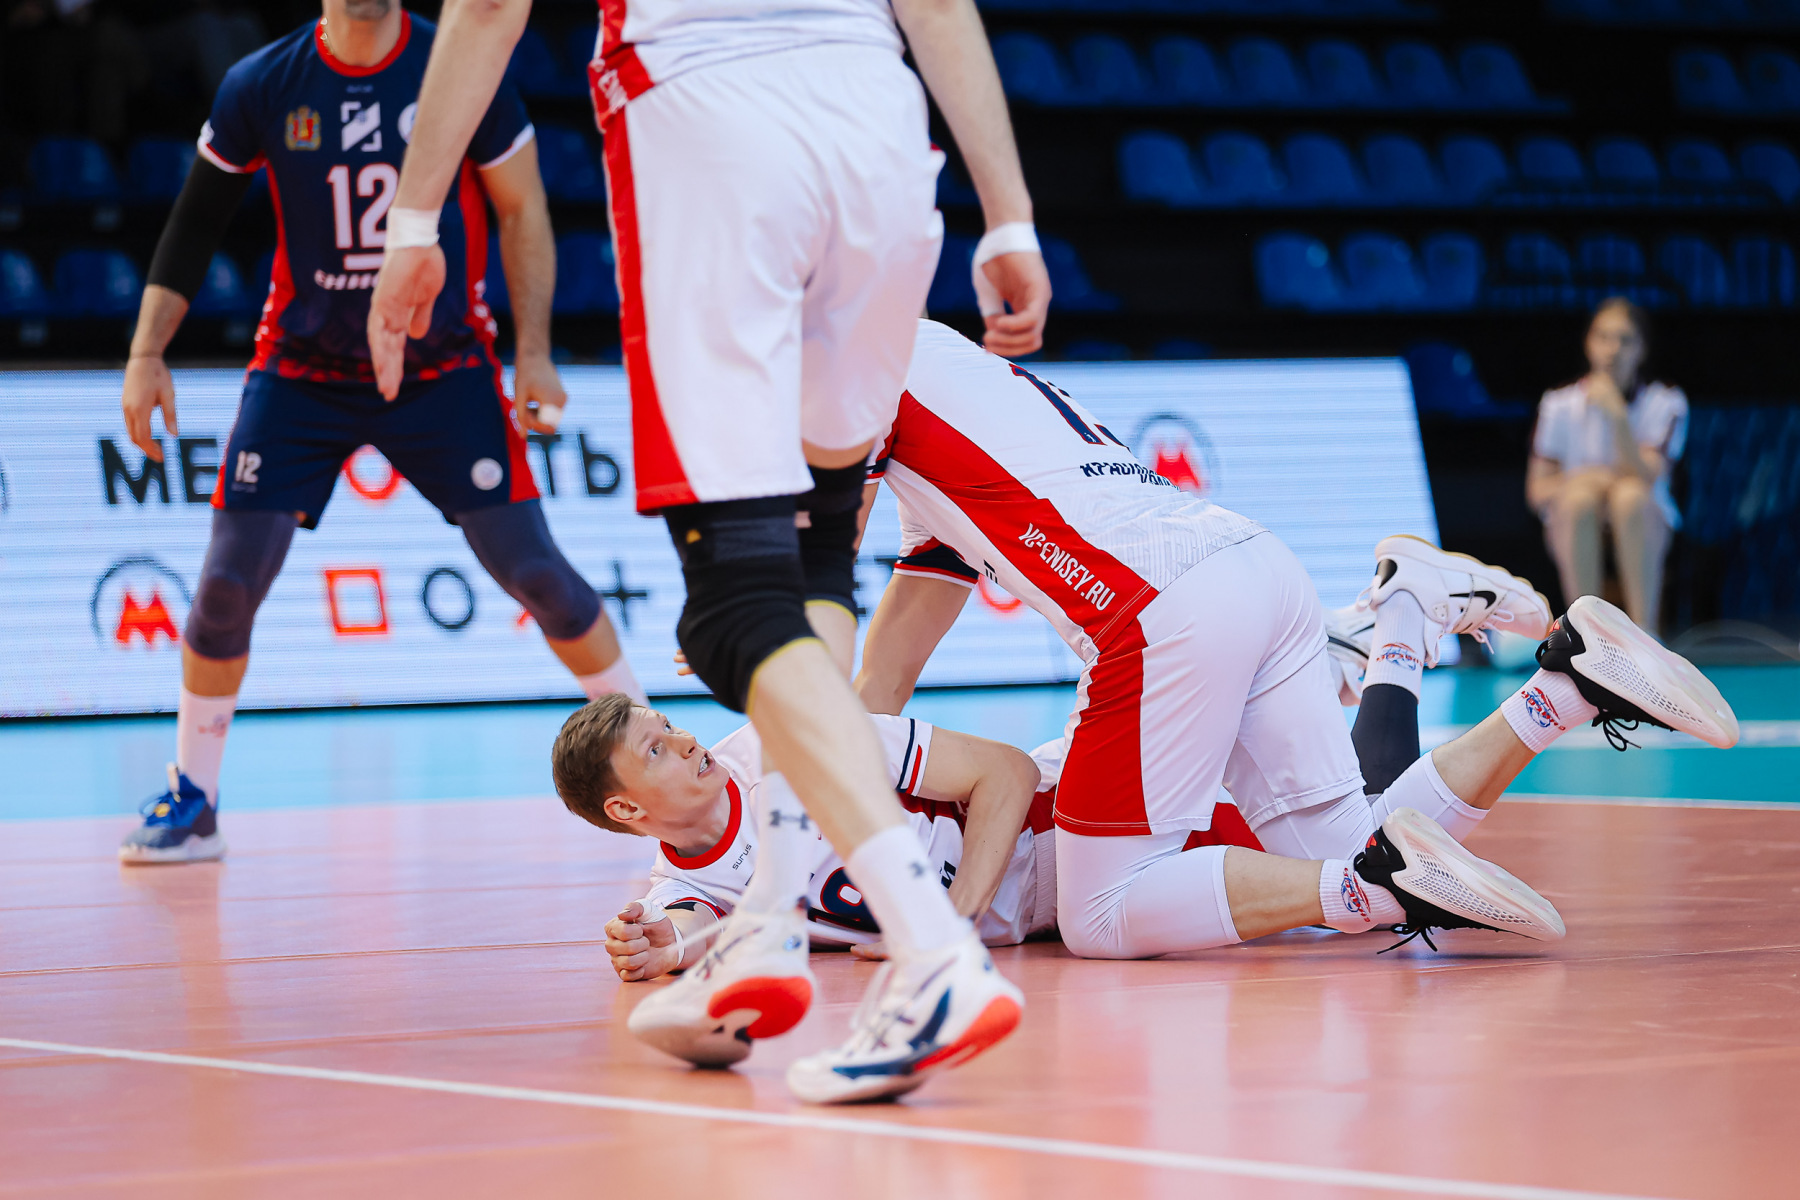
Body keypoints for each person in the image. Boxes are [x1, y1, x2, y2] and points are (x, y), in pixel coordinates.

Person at [368, 0, 1052, 1103]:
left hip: (711, 118)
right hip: (879, 133)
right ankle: (768, 917)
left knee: (733, 608)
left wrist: (412, 225)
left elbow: (488, 10)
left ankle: (933, 955)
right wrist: (1009, 217)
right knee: (817, 554)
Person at [853, 320, 1740, 961]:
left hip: (1159, 616)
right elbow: (892, 659)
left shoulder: (853, 369)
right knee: (1341, 842)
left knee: (1103, 913)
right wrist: (841, 751)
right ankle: (1564, 683)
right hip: (1253, 563)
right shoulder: (952, 376)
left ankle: (1368, 883)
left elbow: (810, 578)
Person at [115, 0, 643, 865]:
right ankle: (195, 801)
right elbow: (197, 219)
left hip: (443, 367)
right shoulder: (263, 83)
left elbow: (521, 208)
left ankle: (650, 760)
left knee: (538, 573)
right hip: (304, 370)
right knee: (224, 588)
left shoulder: (459, 61)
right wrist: (145, 352)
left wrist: (534, 353)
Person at [560, 696, 1570, 1082]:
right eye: (656, 748)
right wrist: (654, 952)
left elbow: (1000, 773)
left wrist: (951, 923)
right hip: (1060, 901)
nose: (683, 740)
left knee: (1359, 837)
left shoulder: (787, 742)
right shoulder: (688, 882)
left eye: (668, 724)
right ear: (628, 809)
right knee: (1365, 829)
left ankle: (1482, 675)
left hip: (1073, 819)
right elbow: (685, 927)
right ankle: (1515, 682)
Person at [1527, 297, 1688, 635]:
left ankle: (1645, 633)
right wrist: (1589, 479)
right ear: (1588, 344)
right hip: (1575, 515)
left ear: (1642, 349)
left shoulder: (1666, 401)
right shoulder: (1558, 403)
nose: (1613, 350)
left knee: (1630, 496)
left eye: (1625, 340)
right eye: (1603, 337)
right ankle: (1584, 634)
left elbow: (1648, 476)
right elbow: (1537, 491)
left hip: (1643, 518)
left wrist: (1617, 415)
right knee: (1578, 499)